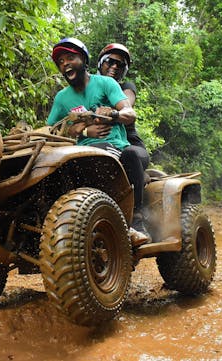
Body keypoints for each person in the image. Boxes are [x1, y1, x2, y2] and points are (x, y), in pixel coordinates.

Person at [46, 37, 149, 243]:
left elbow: (129, 112)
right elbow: (51, 131)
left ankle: (136, 222)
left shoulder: (107, 84)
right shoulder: (61, 98)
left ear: (84, 60)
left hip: (114, 148)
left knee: (129, 154)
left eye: (70, 58)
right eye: (61, 62)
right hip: (79, 152)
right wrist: (82, 131)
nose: (65, 63)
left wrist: (113, 115)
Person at [96, 43, 150, 171]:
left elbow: (127, 105)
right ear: (101, 63)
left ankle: (137, 185)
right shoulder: (88, 89)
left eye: (120, 64)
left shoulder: (126, 87)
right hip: (95, 142)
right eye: (110, 61)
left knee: (129, 155)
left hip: (129, 144)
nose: (114, 66)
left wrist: (113, 114)